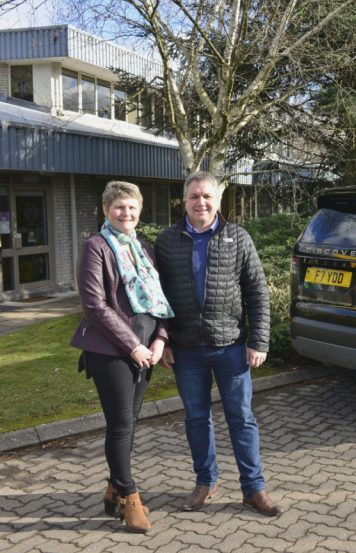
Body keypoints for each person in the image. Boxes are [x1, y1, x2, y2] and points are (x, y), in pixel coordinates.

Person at [154, 171, 282, 516]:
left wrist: (258, 341)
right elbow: (157, 298)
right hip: (186, 349)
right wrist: (161, 339)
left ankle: (253, 489)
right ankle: (205, 482)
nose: (201, 202)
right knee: (196, 418)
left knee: (241, 418)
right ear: (185, 200)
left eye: (207, 196)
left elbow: (257, 292)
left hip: (231, 347)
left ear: (218, 200)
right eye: (194, 196)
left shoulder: (238, 237)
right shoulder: (167, 241)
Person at [70, 181, 174, 533]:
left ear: (139, 210)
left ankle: (113, 487)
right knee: (120, 426)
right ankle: (129, 496)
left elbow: (159, 299)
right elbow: (95, 306)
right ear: (105, 210)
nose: (125, 213)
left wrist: (160, 338)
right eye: (118, 207)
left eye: (131, 207)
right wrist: (132, 345)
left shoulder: (145, 249)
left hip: (146, 350)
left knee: (129, 424)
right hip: (113, 351)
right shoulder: (95, 247)